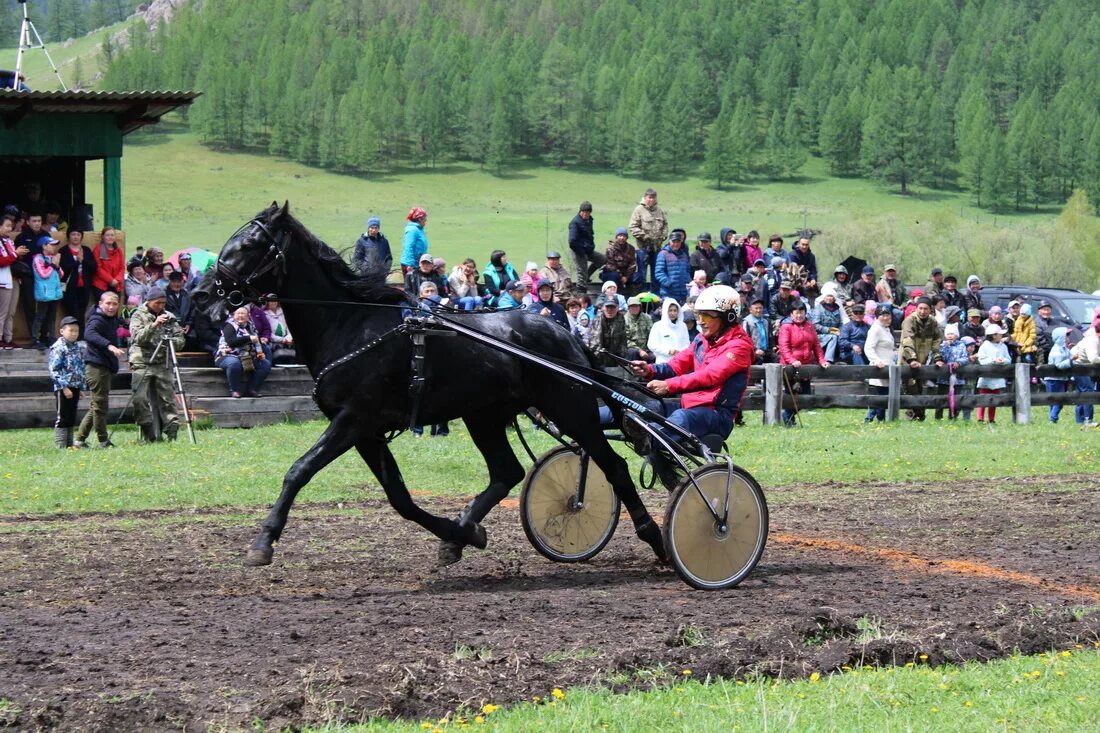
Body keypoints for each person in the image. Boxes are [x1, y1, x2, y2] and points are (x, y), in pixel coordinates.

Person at [627, 285, 753, 482]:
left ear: (728, 317)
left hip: (716, 414)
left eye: (707, 316)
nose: (700, 321)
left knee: (681, 418)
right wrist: (650, 370)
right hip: (690, 407)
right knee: (646, 407)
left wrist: (669, 385)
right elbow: (676, 365)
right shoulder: (702, 340)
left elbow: (710, 376)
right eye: (699, 315)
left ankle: (647, 438)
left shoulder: (739, 347)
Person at [129, 288, 186, 442]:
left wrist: (168, 342)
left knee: (168, 399)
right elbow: (137, 338)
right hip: (142, 361)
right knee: (139, 398)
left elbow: (181, 341)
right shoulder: (138, 315)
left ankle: (172, 430)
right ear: (149, 301)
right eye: (157, 303)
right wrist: (153, 325)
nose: (161, 306)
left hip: (163, 361)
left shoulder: (169, 317)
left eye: (163, 303)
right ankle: (147, 430)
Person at [74, 291, 126, 448]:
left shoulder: (112, 319)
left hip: (105, 367)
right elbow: (89, 334)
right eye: (108, 303)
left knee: (96, 406)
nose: (111, 307)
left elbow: (122, 322)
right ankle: (103, 440)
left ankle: (79, 440)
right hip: (96, 367)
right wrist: (109, 346)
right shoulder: (97, 319)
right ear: (100, 304)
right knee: (100, 406)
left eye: (114, 304)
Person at [777, 301, 828, 426]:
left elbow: (816, 345)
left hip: (806, 366)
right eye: (796, 313)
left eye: (802, 313)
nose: (799, 315)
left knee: (806, 395)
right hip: (790, 367)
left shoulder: (810, 326)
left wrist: (822, 360)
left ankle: (788, 414)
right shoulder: (786, 327)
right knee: (791, 394)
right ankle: (788, 418)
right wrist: (792, 360)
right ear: (791, 314)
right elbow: (784, 347)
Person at [899, 297, 944, 421]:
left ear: (930, 310)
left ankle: (920, 417)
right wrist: (912, 359)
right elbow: (907, 340)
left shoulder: (933, 322)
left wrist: (937, 358)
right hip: (907, 360)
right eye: (920, 308)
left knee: (920, 389)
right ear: (916, 308)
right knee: (910, 389)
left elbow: (936, 341)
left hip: (923, 361)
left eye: (926, 309)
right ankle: (912, 417)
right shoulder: (909, 321)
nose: (923, 311)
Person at [215, 305, 272, 401]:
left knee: (265, 364)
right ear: (234, 315)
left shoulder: (251, 326)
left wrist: (259, 353)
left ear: (248, 316)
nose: (240, 316)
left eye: (243, 313)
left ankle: (252, 389)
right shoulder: (228, 325)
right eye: (238, 313)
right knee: (234, 363)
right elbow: (231, 342)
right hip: (226, 355)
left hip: (247, 355)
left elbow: (256, 341)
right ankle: (235, 390)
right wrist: (248, 338)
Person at [47, 316, 86, 448]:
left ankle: (69, 444)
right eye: (71, 330)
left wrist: (80, 387)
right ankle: (60, 444)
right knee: (62, 416)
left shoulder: (77, 347)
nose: (74, 333)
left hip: (75, 385)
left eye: (76, 331)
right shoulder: (58, 348)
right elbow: (54, 370)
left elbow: (80, 368)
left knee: (71, 415)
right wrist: (64, 387)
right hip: (63, 387)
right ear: (62, 331)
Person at [58, 229, 96, 335]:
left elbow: (94, 267)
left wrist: (83, 260)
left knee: (81, 312)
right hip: (69, 287)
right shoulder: (63, 251)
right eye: (73, 234)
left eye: (78, 234)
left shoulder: (86, 250)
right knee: (72, 312)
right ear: (68, 236)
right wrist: (77, 262)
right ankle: (71, 335)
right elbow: (63, 269)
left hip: (84, 287)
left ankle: (81, 336)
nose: (75, 237)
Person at [30, 235, 64, 349]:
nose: (54, 247)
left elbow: (61, 275)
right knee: (40, 316)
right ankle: (35, 338)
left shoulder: (52, 258)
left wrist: (57, 266)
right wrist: (53, 265)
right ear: (44, 246)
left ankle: (51, 338)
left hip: (54, 293)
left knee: (52, 317)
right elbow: (43, 274)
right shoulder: (38, 259)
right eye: (51, 244)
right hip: (43, 293)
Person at [864, 304, 896, 423]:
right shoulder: (876, 328)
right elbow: (868, 348)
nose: (886, 317)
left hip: (889, 365)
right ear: (877, 317)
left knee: (885, 394)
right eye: (883, 315)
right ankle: (870, 419)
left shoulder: (886, 329)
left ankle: (880, 419)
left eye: (888, 315)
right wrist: (877, 361)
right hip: (880, 366)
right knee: (880, 395)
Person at [14, 211, 44, 337]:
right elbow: (15, 258)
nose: (37, 224)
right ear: (28, 222)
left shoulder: (46, 235)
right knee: (29, 306)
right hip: (28, 276)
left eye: (39, 221)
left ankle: (44, 334)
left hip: (44, 277)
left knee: (44, 306)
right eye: (34, 221)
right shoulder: (21, 237)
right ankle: (33, 336)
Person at [976, 324, 1010, 424]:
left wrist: (1002, 360)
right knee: (983, 397)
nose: (1001, 336)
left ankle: (991, 419)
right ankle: (980, 418)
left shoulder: (1003, 346)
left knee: (994, 399)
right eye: (999, 334)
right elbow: (982, 360)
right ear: (994, 335)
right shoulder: (985, 346)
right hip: (986, 376)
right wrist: (993, 360)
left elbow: (1008, 359)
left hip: (997, 376)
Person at [1070, 323, 1099, 426]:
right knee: (1088, 392)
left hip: (1079, 366)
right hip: (1081, 368)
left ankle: (1080, 420)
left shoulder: (1093, 339)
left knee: (1081, 393)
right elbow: (1093, 358)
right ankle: (1088, 420)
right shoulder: (1093, 341)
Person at [568, 201, 603, 286]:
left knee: (602, 259)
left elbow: (590, 234)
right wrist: (582, 252)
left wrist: (591, 246)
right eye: (583, 211)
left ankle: (587, 276)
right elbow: (572, 241)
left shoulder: (589, 220)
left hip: (587, 249)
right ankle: (581, 292)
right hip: (577, 251)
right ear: (580, 211)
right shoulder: (575, 223)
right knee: (581, 273)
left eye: (587, 212)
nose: (585, 214)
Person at [586, 297, 628, 368]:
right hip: (599, 356)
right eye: (607, 307)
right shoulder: (597, 320)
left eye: (612, 307)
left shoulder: (621, 319)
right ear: (603, 308)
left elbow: (623, 341)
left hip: (615, 357)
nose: (609, 310)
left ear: (617, 308)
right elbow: (594, 344)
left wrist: (621, 359)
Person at [647, 297, 690, 364]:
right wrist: (668, 351)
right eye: (670, 310)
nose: (672, 313)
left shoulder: (683, 325)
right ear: (665, 311)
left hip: (680, 361)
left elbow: (686, 343)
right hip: (663, 362)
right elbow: (651, 344)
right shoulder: (658, 325)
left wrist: (680, 352)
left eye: (675, 310)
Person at [1045, 327, 1073, 424]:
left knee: (1058, 400)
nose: (1068, 338)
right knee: (1058, 400)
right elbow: (1059, 365)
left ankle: (1052, 418)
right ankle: (1052, 419)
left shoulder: (1064, 348)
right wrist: (1071, 360)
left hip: (1061, 378)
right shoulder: (1057, 350)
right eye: (1067, 335)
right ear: (1061, 337)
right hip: (1053, 379)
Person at [654, 230, 691, 304]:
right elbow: (659, 272)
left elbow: (688, 270)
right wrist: (668, 283)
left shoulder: (684, 254)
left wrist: (687, 281)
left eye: (678, 242)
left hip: (683, 293)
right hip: (668, 293)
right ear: (669, 242)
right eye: (673, 242)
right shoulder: (663, 254)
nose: (676, 244)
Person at [90, 226, 125, 303]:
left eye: (112, 235)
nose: (110, 237)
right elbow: (98, 268)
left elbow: (122, 267)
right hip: (101, 286)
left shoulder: (118, 250)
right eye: (108, 235)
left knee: (114, 309)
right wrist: (110, 280)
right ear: (103, 237)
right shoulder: (99, 249)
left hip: (116, 285)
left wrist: (117, 280)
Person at [810, 284, 844, 363]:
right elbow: (815, 325)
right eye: (827, 296)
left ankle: (842, 358)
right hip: (820, 336)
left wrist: (841, 331)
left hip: (835, 333)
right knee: (833, 337)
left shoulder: (837, 309)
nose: (829, 298)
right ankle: (828, 360)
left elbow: (840, 323)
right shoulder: (818, 308)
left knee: (842, 338)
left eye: (831, 296)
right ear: (824, 297)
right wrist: (829, 330)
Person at [0, 214, 19, 349]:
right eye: (7, 226)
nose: (9, 228)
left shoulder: (10, 241)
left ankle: (8, 338)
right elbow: (2, 261)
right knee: (2, 312)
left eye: (11, 226)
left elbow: (13, 259)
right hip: (2, 280)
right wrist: (16, 254)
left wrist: (18, 255)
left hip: (13, 279)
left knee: (11, 312)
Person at [164, 271, 195, 348]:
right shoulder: (164, 295)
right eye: (174, 282)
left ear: (182, 282)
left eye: (179, 282)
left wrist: (189, 324)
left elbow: (193, 310)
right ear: (170, 281)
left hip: (186, 328)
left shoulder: (188, 295)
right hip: (169, 327)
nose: (176, 284)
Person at [602, 227, 638, 294]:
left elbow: (632, 264)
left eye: (624, 236)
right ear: (616, 237)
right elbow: (610, 265)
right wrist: (621, 276)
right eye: (620, 235)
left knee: (636, 276)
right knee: (614, 275)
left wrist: (626, 277)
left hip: (625, 274)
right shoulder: (610, 248)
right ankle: (614, 293)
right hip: (612, 273)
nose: (622, 238)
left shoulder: (631, 248)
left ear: (626, 238)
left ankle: (631, 294)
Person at [787, 237, 818, 301]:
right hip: (795, 281)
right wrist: (805, 282)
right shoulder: (792, 255)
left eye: (806, 245)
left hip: (808, 280)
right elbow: (794, 272)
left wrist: (813, 279)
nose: (804, 247)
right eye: (803, 244)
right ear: (798, 244)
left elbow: (813, 270)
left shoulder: (811, 256)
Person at [400, 207, 429, 276]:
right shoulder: (412, 230)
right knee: (413, 285)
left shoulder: (419, 229)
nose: (426, 220)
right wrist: (410, 264)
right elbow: (408, 246)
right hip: (410, 264)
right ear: (419, 219)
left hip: (417, 263)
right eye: (425, 218)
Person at [741, 299, 771, 364]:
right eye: (756, 308)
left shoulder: (766, 321)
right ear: (750, 310)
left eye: (760, 308)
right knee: (758, 360)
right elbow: (745, 339)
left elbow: (770, 337)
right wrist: (755, 350)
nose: (759, 310)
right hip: (753, 351)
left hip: (766, 351)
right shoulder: (746, 322)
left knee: (777, 358)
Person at [623, 295, 653, 361]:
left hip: (647, 348)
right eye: (632, 306)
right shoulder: (624, 320)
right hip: (632, 348)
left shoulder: (647, 318)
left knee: (654, 357)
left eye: (637, 306)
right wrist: (639, 350)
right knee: (632, 353)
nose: (635, 308)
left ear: (640, 307)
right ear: (629, 307)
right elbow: (625, 340)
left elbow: (652, 334)